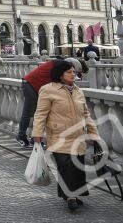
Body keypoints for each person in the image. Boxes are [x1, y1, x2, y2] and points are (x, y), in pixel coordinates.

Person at [32, 60, 100, 211]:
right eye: (69, 72)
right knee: (66, 167)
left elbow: (86, 114)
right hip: (59, 135)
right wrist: (37, 133)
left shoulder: (78, 90)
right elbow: (40, 114)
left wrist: (94, 134)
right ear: (60, 75)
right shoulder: (47, 90)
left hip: (78, 136)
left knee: (77, 168)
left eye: (74, 72)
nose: (73, 74)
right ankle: (70, 197)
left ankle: (73, 194)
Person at [16, 57, 86, 148]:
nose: (73, 73)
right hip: (30, 84)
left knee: (39, 114)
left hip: (34, 85)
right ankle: (21, 137)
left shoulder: (57, 64)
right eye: (72, 71)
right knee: (28, 113)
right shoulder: (58, 67)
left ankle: (35, 140)